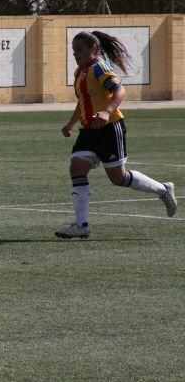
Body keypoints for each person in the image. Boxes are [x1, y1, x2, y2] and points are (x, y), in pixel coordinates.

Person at [56, 30, 177, 239]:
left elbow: (120, 91)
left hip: (110, 127)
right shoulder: (79, 72)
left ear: (93, 49)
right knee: (77, 167)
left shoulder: (99, 67)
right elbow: (83, 101)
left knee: (118, 178)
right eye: (73, 50)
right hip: (88, 130)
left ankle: (164, 190)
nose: (75, 53)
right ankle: (81, 225)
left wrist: (106, 111)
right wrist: (70, 123)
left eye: (79, 49)